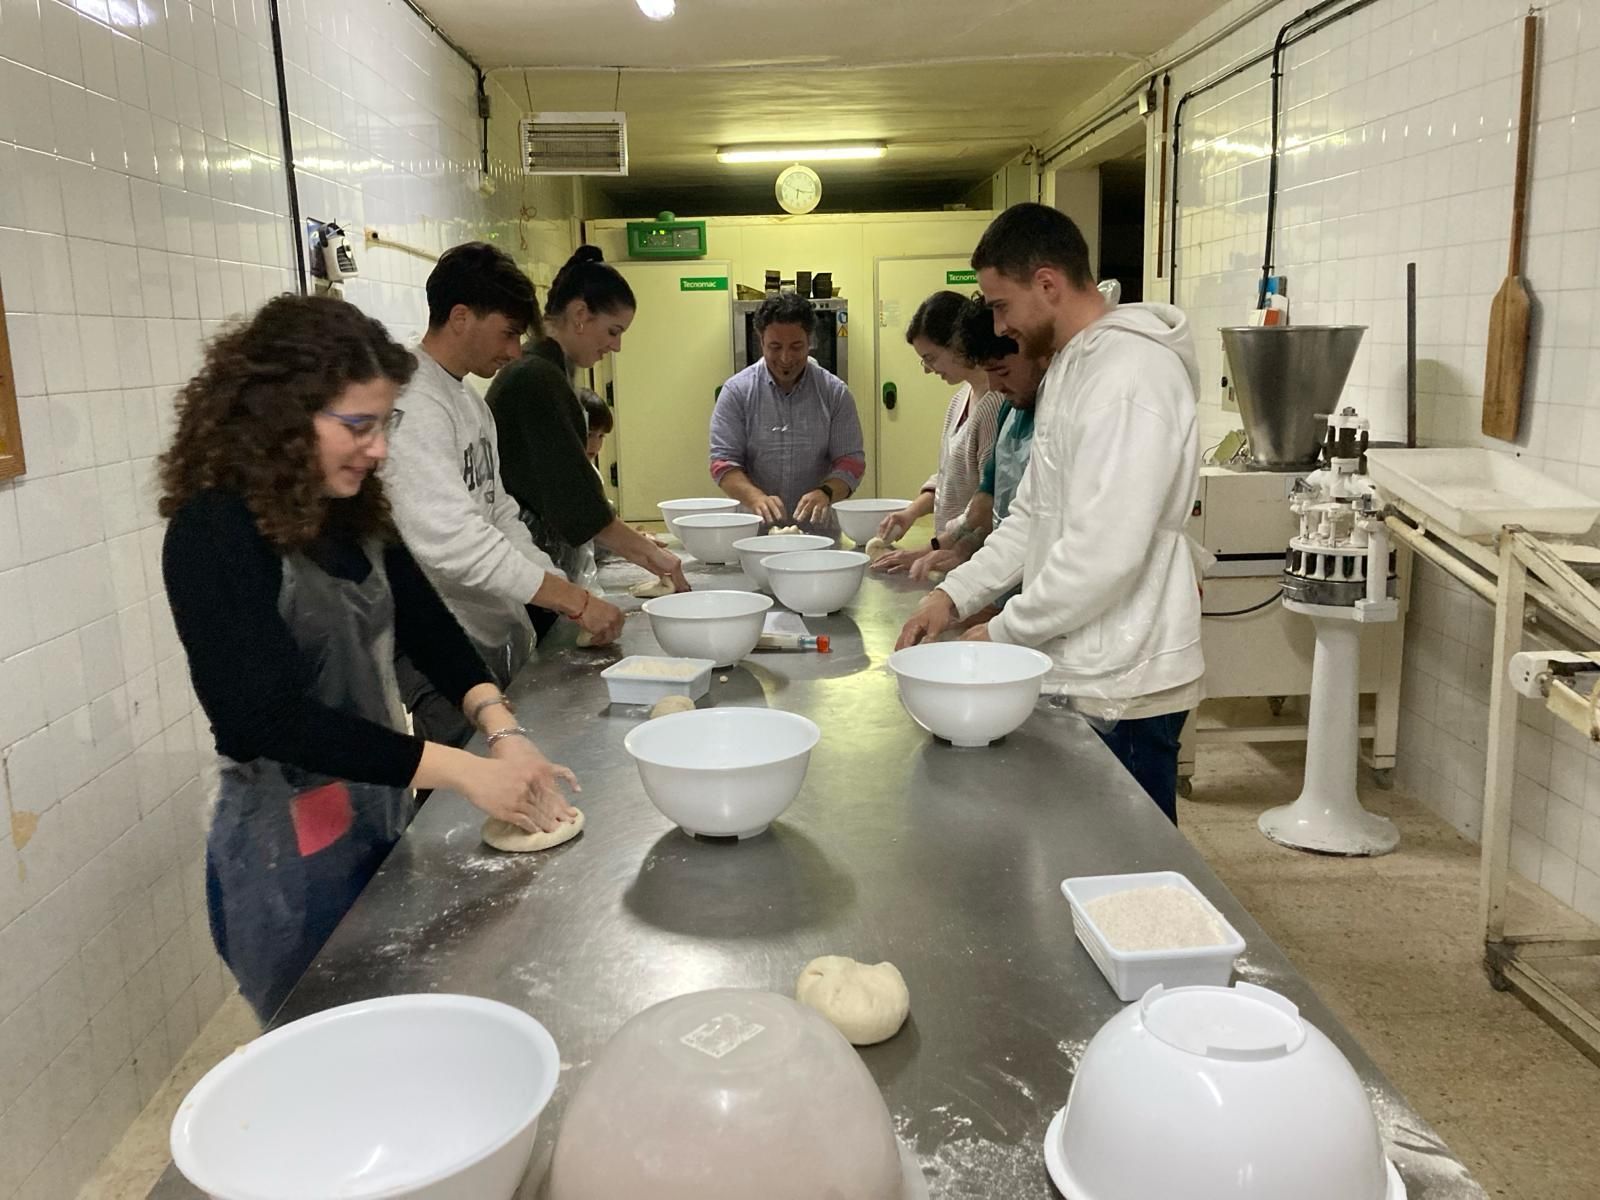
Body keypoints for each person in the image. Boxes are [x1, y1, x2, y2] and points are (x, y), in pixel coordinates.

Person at [160, 295, 580, 1019]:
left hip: (375, 806)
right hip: (285, 848)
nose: (378, 449)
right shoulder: (213, 531)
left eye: (383, 425)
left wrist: (501, 728)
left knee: (394, 1005)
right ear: (281, 417)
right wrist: (464, 771)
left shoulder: (348, 509)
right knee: (321, 1033)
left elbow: (427, 625)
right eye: (358, 426)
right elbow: (265, 718)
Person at [896, 203, 1204, 823]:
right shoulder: (1073, 367)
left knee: (1129, 857)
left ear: (1047, 283)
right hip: (1082, 660)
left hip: (1125, 673)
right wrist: (953, 595)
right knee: (1076, 843)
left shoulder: (1129, 375)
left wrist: (1003, 632)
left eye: (1001, 305)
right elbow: (1031, 514)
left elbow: (1106, 554)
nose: (998, 325)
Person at [384, 243, 624, 749]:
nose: (515, 351)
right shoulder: (414, 403)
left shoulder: (468, 403)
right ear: (461, 317)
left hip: (491, 632)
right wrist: (571, 599)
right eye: (508, 333)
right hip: (442, 649)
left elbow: (500, 515)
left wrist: (564, 593)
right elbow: (453, 541)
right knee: (463, 788)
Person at [488, 246, 688, 636]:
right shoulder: (535, 378)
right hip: (527, 577)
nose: (616, 346)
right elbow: (575, 502)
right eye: (613, 331)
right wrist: (656, 558)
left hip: (539, 573)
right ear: (580, 314)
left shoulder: (550, 371)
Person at [910, 298, 1047, 590]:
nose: (995, 386)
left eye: (1003, 372)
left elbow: (1026, 522)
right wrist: (955, 551)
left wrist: (950, 551)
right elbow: (986, 498)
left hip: (1029, 581)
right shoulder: (1009, 408)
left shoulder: (1050, 412)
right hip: (996, 574)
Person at [709, 293, 866, 534]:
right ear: (760, 340)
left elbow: (851, 462)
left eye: (796, 347)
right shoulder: (737, 392)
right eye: (775, 347)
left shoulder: (834, 393)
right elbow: (722, 463)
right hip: (754, 533)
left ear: (810, 340)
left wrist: (826, 492)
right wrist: (754, 497)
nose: (785, 358)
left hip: (818, 535)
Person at [872, 290, 1003, 574]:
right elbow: (948, 476)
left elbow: (987, 505)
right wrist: (911, 512)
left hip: (975, 560)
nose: (928, 370)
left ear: (958, 345)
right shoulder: (961, 398)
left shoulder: (995, 404)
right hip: (947, 555)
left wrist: (932, 548)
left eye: (931, 358)